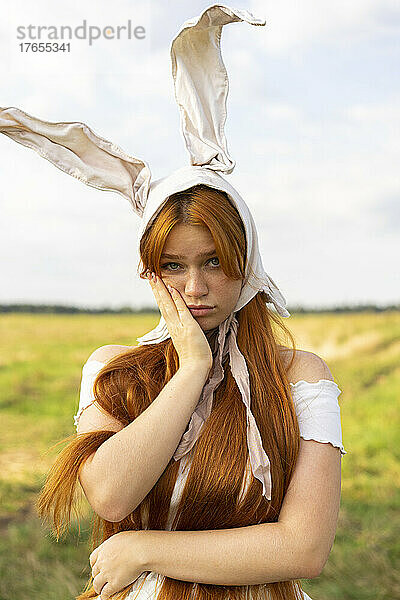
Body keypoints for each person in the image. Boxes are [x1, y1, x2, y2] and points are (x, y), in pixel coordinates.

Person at [1, 5, 347, 600]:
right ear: (148, 272)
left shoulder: (301, 378)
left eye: (214, 261)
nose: (195, 288)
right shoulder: (114, 370)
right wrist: (191, 370)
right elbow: (110, 492)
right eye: (173, 266)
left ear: (249, 261)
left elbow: (303, 548)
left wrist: (145, 548)